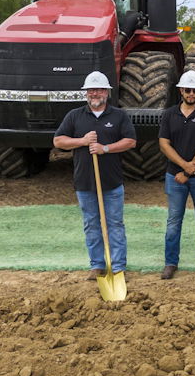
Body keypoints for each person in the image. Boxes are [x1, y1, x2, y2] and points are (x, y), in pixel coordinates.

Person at [53, 71, 136, 278]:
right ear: (86, 93)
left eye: (99, 89)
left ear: (107, 92)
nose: (95, 93)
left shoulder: (119, 116)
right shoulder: (75, 116)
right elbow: (58, 141)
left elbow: (130, 141)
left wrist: (104, 148)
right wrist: (82, 141)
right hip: (84, 183)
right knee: (91, 224)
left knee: (115, 224)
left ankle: (118, 267)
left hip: (112, 182)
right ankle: (97, 265)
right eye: (91, 90)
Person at [157, 70, 195, 279]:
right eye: (188, 90)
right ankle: (170, 262)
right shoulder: (169, 115)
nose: (191, 93)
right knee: (174, 220)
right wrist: (184, 167)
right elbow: (164, 145)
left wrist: (189, 170)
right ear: (181, 90)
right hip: (175, 177)